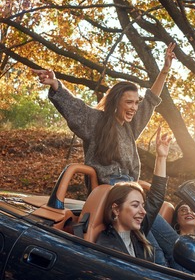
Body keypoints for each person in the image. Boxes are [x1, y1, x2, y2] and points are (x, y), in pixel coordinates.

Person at [32, 43, 176, 189]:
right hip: (107, 189)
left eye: (136, 103)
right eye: (129, 102)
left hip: (130, 187)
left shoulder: (130, 126)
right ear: (115, 103)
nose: (134, 108)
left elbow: (151, 100)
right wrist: (55, 83)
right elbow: (75, 107)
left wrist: (165, 69)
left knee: (165, 209)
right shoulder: (96, 121)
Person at [96, 126, 171, 262]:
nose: (143, 211)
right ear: (116, 209)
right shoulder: (107, 246)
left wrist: (161, 157)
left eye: (142, 205)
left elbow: (156, 198)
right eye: (135, 205)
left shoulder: (138, 232)